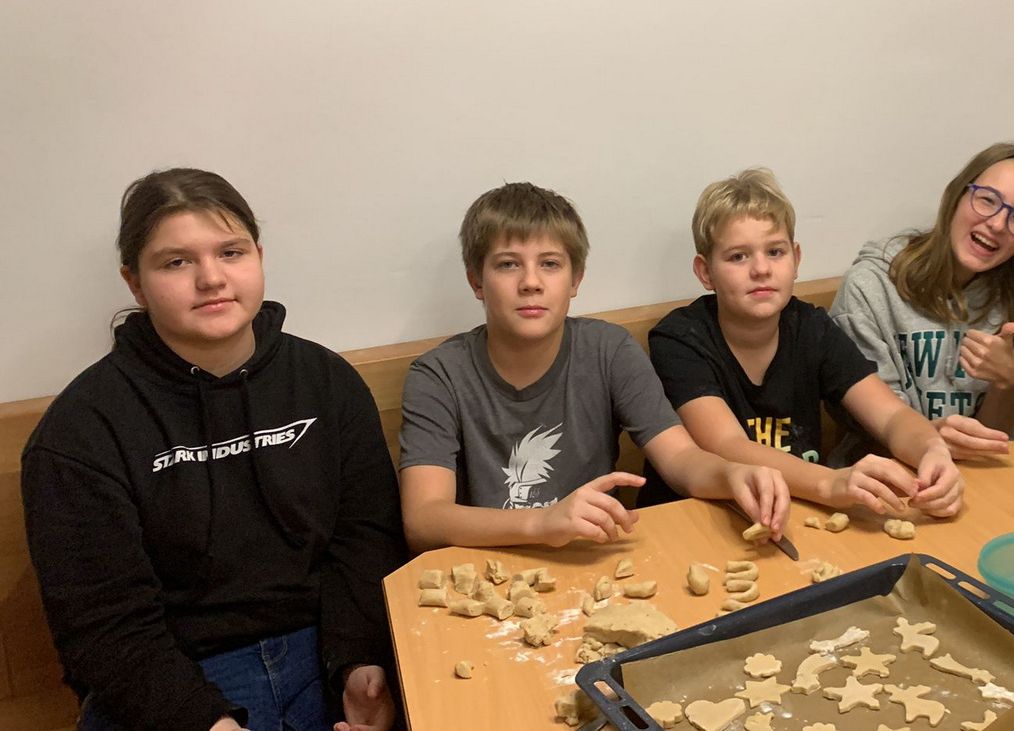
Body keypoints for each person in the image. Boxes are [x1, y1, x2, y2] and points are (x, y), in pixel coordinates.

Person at [22, 168, 407, 731]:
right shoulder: (80, 431)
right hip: (172, 677)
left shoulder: (326, 381)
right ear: (135, 283)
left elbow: (366, 538)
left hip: (325, 648)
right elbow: (103, 626)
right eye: (176, 262)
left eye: (231, 252)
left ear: (259, 257)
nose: (211, 278)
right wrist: (206, 722)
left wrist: (360, 662)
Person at [397, 182, 789, 550]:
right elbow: (423, 520)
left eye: (550, 264)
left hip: (595, 559)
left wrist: (731, 473)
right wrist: (541, 522)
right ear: (477, 282)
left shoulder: (609, 350)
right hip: (487, 568)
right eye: (508, 265)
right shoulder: (438, 375)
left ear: (575, 280)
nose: (531, 282)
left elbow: (681, 460)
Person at [641, 169, 963, 516]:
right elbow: (726, 445)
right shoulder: (679, 339)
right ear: (706, 272)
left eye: (775, 252)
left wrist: (932, 449)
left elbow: (891, 416)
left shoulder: (812, 328)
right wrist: (830, 483)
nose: (761, 269)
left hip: (799, 510)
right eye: (738, 256)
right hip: (701, 519)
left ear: (796, 259)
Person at [829, 142, 1014, 464]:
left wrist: (1006, 383)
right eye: (988, 200)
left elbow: (990, 441)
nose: (997, 224)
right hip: (885, 470)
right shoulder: (872, 286)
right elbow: (875, 426)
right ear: (956, 196)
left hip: (978, 471)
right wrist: (930, 439)